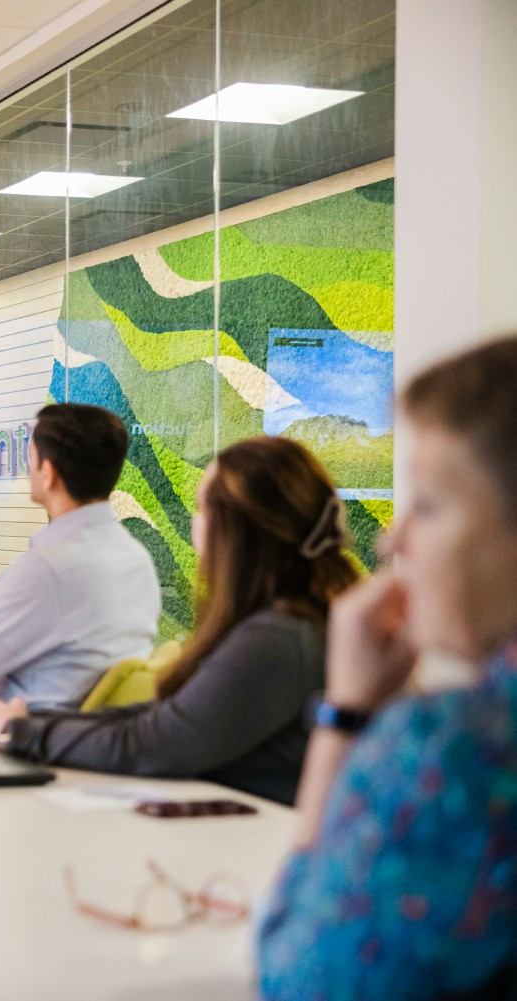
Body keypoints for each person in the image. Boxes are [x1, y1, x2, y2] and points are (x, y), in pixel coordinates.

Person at [258, 338, 517, 1000]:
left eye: (428, 505)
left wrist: (347, 714)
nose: (392, 540)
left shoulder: (457, 750)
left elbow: (299, 974)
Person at [0, 436, 358, 805]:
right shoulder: (286, 623)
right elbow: (165, 716)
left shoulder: (279, 637)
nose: (193, 522)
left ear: (233, 530)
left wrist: (17, 732)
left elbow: (156, 742)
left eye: (202, 508)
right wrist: (30, 721)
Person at [0, 403, 161, 706]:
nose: (26, 469)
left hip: (19, 739)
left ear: (48, 474)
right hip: (85, 737)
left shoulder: (46, 569)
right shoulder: (137, 559)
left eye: (29, 457)